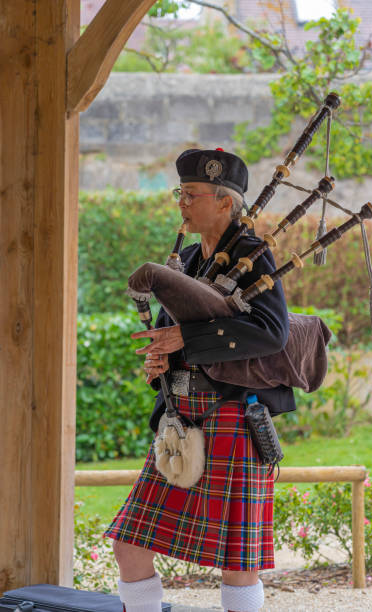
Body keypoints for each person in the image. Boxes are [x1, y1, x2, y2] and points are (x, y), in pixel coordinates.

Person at [103, 148, 296, 612]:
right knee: (129, 545)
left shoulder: (254, 257)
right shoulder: (188, 259)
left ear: (225, 202)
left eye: (190, 195)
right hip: (181, 420)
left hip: (233, 417)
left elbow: (272, 332)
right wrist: (161, 364)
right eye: (180, 193)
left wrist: (183, 340)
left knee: (236, 561)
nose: (181, 203)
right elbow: (177, 339)